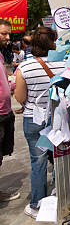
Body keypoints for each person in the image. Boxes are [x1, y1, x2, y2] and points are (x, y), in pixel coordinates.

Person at [14, 27, 65, 219]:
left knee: (38, 161)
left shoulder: (25, 68)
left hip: (34, 119)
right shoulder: (65, 64)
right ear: (53, 43)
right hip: (59, 119)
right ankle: (64, 196)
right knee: (61, 158)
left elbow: (19, 96)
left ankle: (37, 205)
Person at [0, 19, 20, 202]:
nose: (8, 37)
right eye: (3, 34)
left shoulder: (0, 54)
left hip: (6, 113)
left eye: (8, 34)